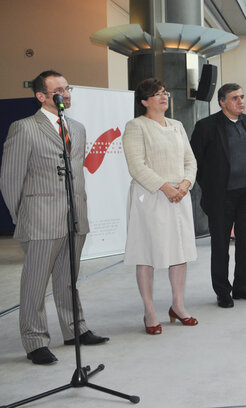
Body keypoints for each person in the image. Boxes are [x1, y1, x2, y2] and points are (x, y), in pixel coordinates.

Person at [0, 70, 109, 365]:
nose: (67, 93)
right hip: (40, 220)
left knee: (68, 279)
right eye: (59, 89)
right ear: (41, 96)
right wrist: (22, 216)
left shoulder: (77, 127)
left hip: (74, 217)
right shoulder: (24, 128)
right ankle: (35, 341)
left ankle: (75, 329)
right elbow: (10, 179)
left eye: (67, 87)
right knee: (35, 284)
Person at [123, 78, 198, 335]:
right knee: (147, 253)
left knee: (180, 252)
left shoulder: (177, 125)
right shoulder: (136, 126)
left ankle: (178, 305)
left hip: (179, 196)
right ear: (144, 101)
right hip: (151, 196)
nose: (164, 97)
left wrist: (186, 183)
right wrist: (166, 187)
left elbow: (190, 159)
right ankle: (150, 310)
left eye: (165, 93)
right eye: (157, 94)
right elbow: (136, 166)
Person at [191, 83, 246, 309]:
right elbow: (195, 162)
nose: (241, 101)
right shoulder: (206, 126)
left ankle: (243, 285)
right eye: (235, 98)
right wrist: (211, 189)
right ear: (222, 102)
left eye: (242, 97)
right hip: (221, 196)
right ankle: (223, 291)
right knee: (221, 246)